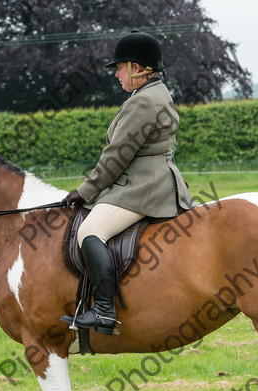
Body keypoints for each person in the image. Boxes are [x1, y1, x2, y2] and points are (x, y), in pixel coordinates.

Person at [61, 29, 195, 335]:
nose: (117, 74)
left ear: (137, 67)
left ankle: (104, 311)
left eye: (120, 67)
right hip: (150, 180)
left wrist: (84, 191)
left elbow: (116, 157)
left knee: (89, 231)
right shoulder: (153, 94)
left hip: (143, 187)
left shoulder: (144, 102)